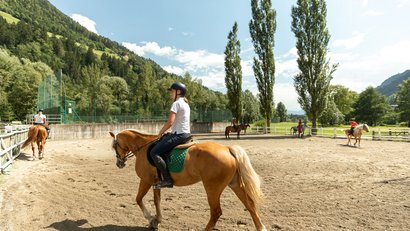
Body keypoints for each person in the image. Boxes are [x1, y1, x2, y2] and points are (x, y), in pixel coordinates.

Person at [149, 82, 191, 189]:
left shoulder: (176, 104)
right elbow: (179, 123)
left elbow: (170, 122)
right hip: (185, 134)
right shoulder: (186, 104)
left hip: (179, 135)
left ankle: (167, 180)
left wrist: (160, 133)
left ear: (178, 92)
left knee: (154, 152)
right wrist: (171, 132)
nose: (171, 93)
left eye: (172, 91)